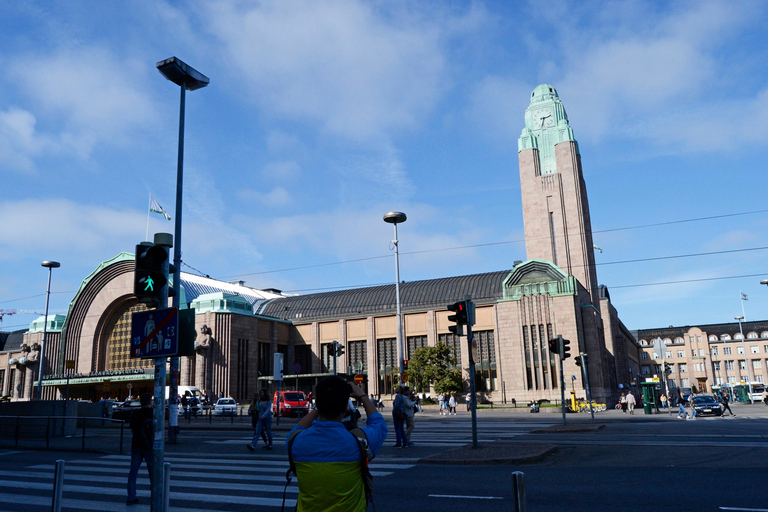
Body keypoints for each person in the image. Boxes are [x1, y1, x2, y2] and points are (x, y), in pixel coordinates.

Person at [287, 376, 386, 512]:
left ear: (318, 404)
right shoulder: (358, 441)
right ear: (346, 408)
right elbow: (379, 424)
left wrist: (319, 407)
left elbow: (297, 429)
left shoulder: (296, 441)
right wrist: (362, 396)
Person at [126, 393, 153, 506]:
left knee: (133, 472)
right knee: (153, 472)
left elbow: (132, 430)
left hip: (136, 445)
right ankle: (155, 494)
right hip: (149, 446)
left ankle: (131, 497)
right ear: (150, 402)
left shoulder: (135, 414)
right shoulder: (154, 413)